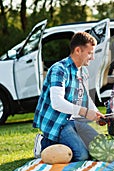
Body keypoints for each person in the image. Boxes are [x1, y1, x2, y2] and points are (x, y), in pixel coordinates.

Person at [33, 32, 105, 161]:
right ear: (78, 50)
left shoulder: (83, 71)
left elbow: (85, 97)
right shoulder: (59, 70)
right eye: (90, 53)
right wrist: (85, 112)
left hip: (73, 121)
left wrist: (97, 114)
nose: (92, 57)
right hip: (57, 122)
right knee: (81, 156)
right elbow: (57, 103)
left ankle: (69, 141)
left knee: (99, 147)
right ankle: (44, 143)